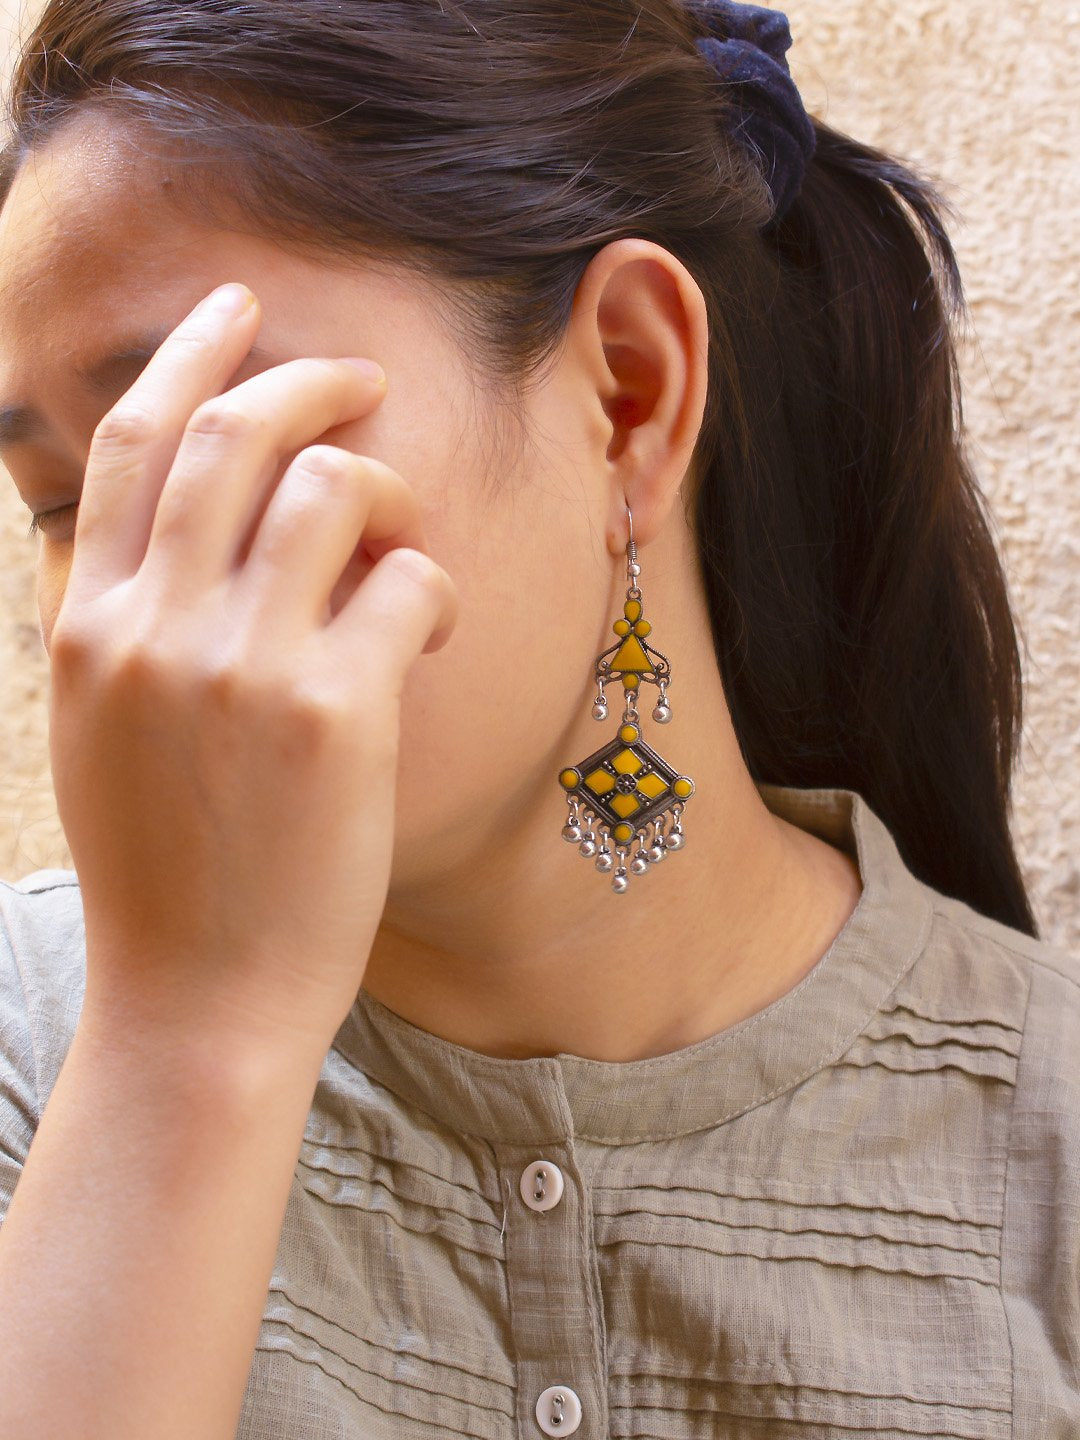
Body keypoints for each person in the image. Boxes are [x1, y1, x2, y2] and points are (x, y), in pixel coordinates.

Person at [0, 0, 1075, 1435]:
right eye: (65, 507)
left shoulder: (1044, 1151)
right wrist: (186, 1035)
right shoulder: (30, 1043)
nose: (113, 625)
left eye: (214, 450)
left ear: (628, 396)